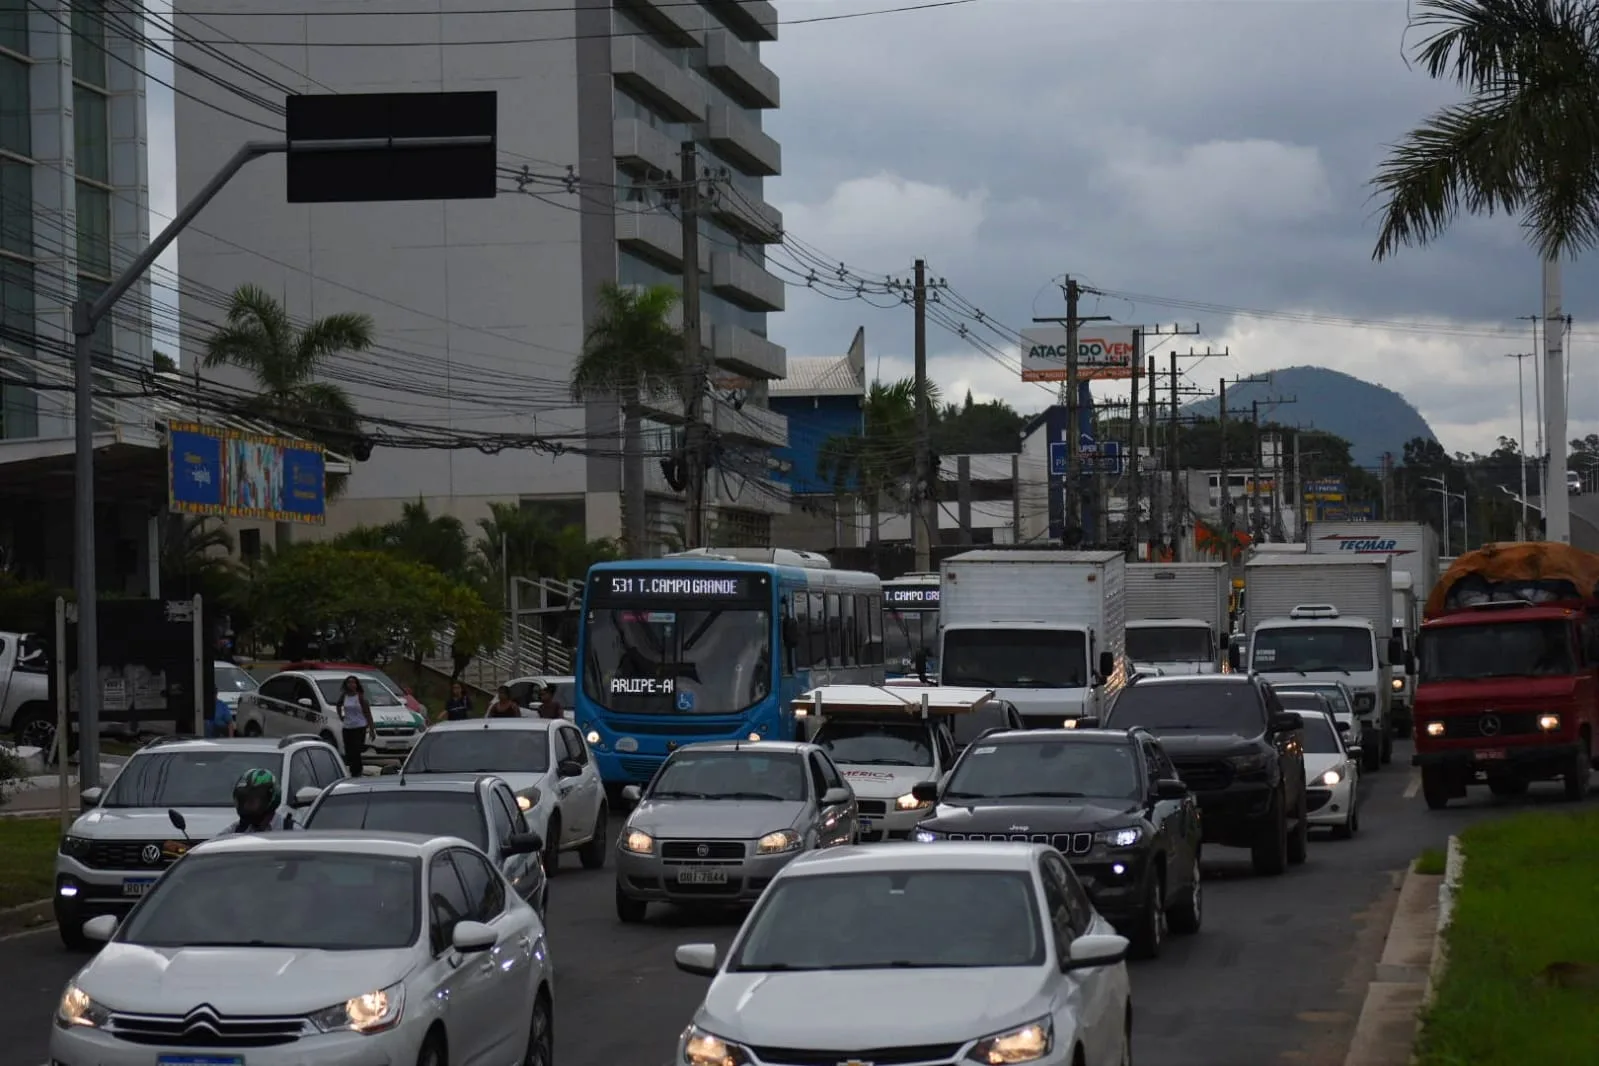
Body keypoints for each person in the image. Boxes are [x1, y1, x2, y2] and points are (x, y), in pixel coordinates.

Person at [218, 768, 295, 834]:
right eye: (242, 801)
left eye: (251, 801)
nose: (245, 806)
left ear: (270, 800)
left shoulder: (292, 831)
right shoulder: (234, 832)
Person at [336, 675, 376, 775]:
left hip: (359, 727)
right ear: (346, 684)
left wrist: (371, 729)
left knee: (356, 750)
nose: (351, 684)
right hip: (347, 727)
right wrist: (341, 715)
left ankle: (357, 771)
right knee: (348, 751)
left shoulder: (360, 697)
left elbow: (368, 713)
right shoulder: (344, 696)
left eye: (353, 682)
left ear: (357, 685)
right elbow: (338, 705)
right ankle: (354, 769)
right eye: (349, 682)